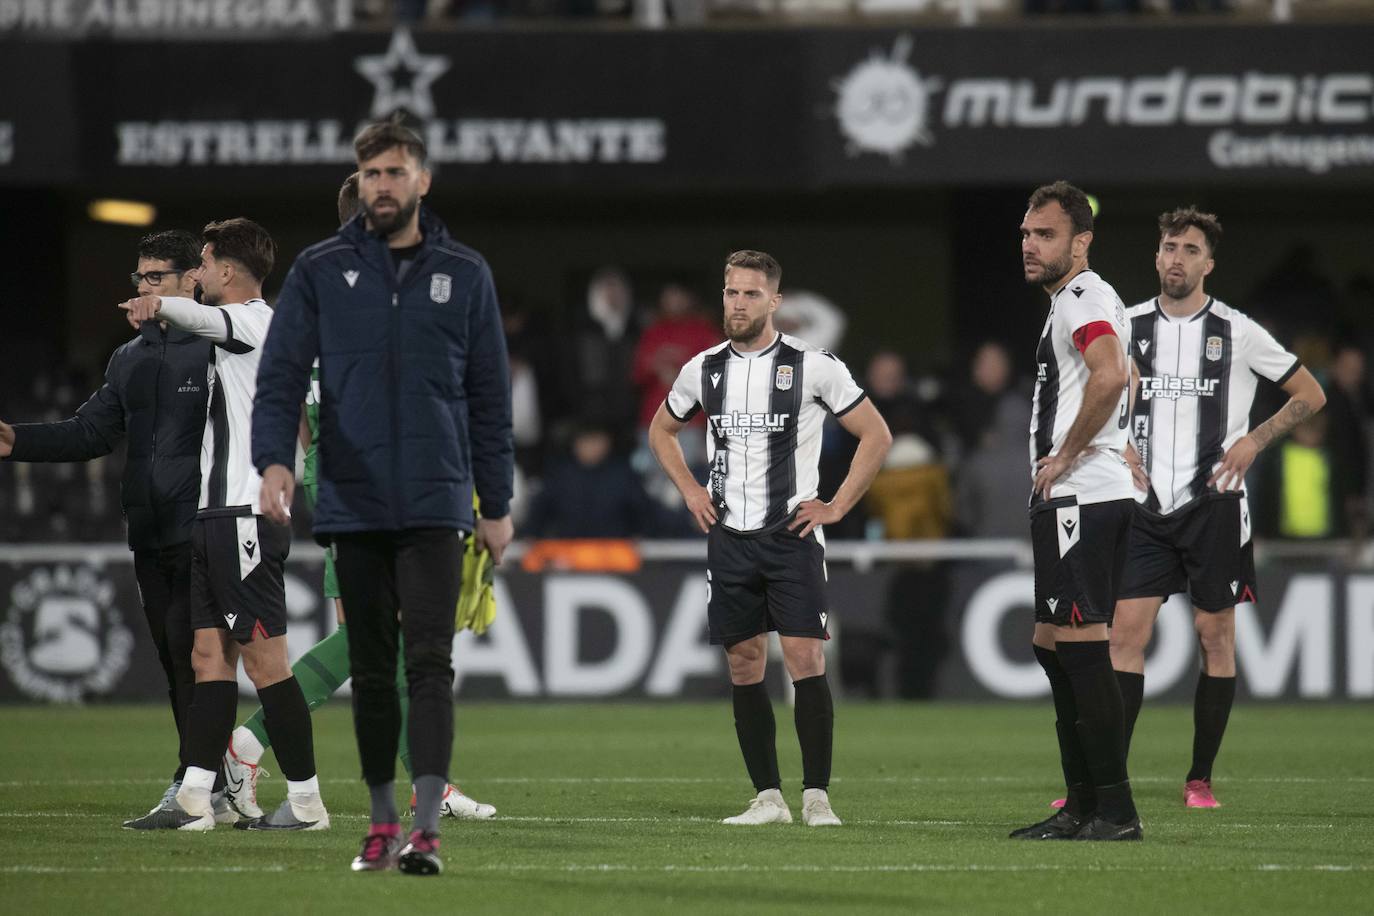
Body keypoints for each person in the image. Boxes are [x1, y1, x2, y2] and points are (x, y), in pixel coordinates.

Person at [253, 119, 514, 876]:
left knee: (429, 664)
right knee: (371, 670)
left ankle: (425, 830)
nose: (383, 185)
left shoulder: (465, 273)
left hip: (437, 501)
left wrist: (494, 504)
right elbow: (279, 377)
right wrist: (273, 458)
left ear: (422, 180)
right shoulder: (320, 269)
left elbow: (489, 398)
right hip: (353, 499)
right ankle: (380, 822)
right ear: (359, 182)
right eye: (371, 174)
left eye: (396, 172)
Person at [647, 250, 892, 828]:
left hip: (791, 535)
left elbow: (875, 435)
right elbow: (662, 429)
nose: (738, 303)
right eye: (731, 292)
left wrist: (835, 506)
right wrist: (689, 490)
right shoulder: (702, 368)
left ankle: (817, 797)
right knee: (744, 663)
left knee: (805, 657)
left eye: (751, 294)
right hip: (729, 536)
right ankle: (767, 798)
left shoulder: (813, 365)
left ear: (775, 301)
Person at [118, 219, 329, 833]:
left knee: (268, 666)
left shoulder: (258, 322)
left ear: (228, 272)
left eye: (204, 264)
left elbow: (210, 321)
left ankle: (309, 805)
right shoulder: (231, 330)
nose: (199, 275)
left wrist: (162, 302)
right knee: (209, 655)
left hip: (245, 518)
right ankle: (193, 801)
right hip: (215, 517)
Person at [1110, 207, 1326, 808]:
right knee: (1124, 636)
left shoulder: (1238, 331)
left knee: (1216, 638)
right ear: (1156, 257)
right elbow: (1095, 393)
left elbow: (1311, 392)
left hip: (1216, 503)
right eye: (1169, 247)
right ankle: (1106, 779)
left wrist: (1254, 440)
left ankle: (1199, 778)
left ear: (1209, 263)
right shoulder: (1125, 326)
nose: (1176, 258)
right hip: (1145, 504)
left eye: (1189, 249)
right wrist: (1117, 440)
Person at [0, 230, 212, 827]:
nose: (142, 290)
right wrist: (16, 440)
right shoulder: (129, 358)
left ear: (191, 279)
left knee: (197, 655)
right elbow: (89, 433)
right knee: (178, 663)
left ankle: (198, 782)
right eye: (139, 279)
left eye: (156, 278)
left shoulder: (223, 348)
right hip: (148, 530)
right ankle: (213, 776)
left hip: (204, 525)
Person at [1010, 181, 1141, 842]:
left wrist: (1066, 453)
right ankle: (1082, 804)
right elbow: (1129, 374)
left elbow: (1112, 373)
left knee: (1083, 650)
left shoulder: (1084, 296)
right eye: (1028, 233)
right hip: (1076, 495)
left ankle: (1114, 811)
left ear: (1080, 241)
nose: (1030, 245)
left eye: (1046, 235)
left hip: (1082, 498)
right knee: (1051, 644)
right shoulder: (1077, 300)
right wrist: (1127, 442)